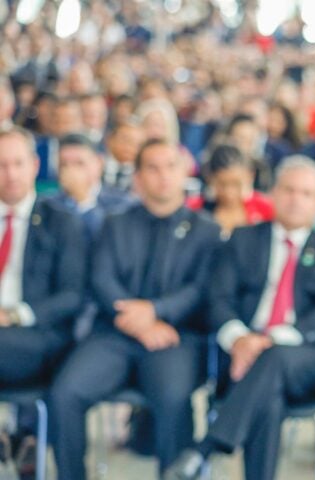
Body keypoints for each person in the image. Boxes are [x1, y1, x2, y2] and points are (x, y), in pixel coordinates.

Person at [164, 157, 315, 480]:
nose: (296, 199)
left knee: (274, 356)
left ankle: (205, 448)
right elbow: (218, 299)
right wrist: (239, 339)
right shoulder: (243, 239)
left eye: (306, 193)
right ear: (274, 194)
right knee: (269, 399)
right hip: (245, 357)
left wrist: (264, 342)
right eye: (289, 190)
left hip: (310, 361)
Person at [50, 139, 222, 480]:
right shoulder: (115, 223)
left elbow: (200, 290)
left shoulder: (207, 230)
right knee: (65, 393)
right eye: (152, 168)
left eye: (170, 167)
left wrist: (157, 311)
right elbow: (101, 279)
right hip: (114, 333)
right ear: (139, 177)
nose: (162, 177)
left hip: (176, 336)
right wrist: (141, 323)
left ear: (184, 172)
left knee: (174, 398)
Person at [0, 127, 86, 474]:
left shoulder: (61, 222)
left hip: (38, 337)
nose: (11, 174)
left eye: (18, 163)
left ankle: (23, 440)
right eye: (2, 165)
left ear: (35, 165)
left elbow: (73, 295)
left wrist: (15, 314)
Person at [50, 133, 133, 239]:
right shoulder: (49, 204)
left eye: (79, 163)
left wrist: (83, 199)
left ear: (99, 163)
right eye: (64, 164)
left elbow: (109, 239)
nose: (71, 171)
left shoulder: (121, 203)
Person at [185, 143, 274, 236]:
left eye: (236, 184)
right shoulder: (195, 209)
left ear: (250, 176)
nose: (229, 193)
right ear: (210, 179)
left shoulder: (265, 209)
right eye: (222, 184)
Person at [103, 120, 145, 192]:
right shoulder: (97, 165)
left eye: (137, 144)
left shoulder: (142, 174)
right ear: (110, 140)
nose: (130, 146)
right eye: (126, 139)